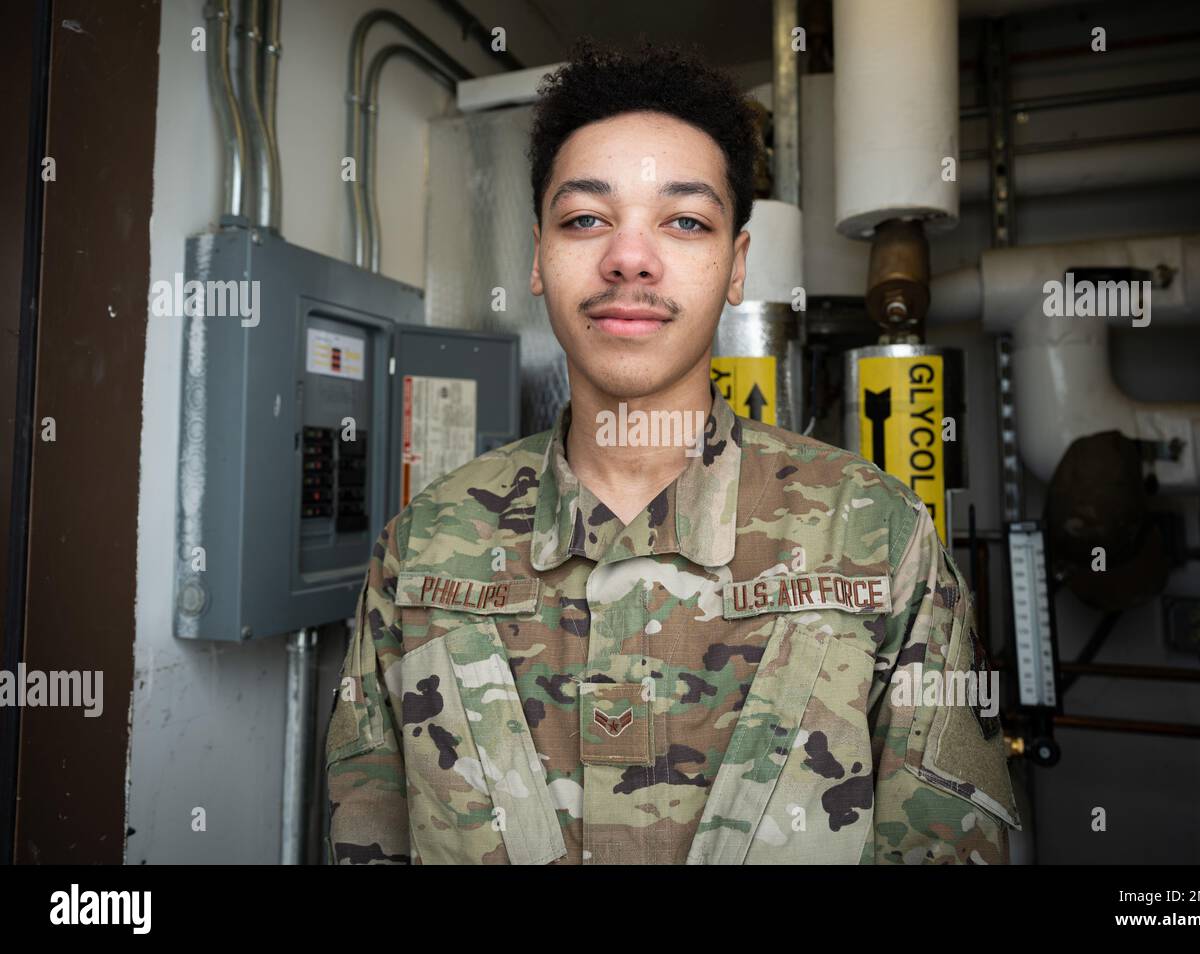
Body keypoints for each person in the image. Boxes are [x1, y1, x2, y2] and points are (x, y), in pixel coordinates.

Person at [324, 37, 1021, 865]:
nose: (629, 258)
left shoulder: (876, 537)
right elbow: (367, 835)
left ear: (736, 267)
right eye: (586, 218)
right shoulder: (425, 549)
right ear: (538, 258)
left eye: (685, 221)